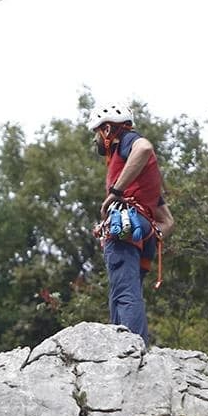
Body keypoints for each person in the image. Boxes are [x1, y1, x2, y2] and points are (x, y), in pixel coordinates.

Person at [89, 103, 175, 344]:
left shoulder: (128, 141)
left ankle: (130, 350)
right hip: (139, 228)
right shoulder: (139, 177)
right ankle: (123, 346)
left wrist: (115, 193)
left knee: (123, 292)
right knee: (125, 291)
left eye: (96, 132)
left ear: (107, 130)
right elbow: (168, 221)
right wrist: (148, 234)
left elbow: (145, 147)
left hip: (127, 227)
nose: (95, 139)